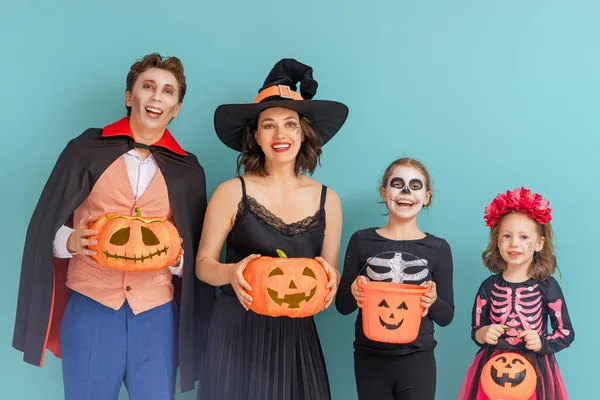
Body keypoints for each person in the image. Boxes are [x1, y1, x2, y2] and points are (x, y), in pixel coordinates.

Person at [12, 53, 215, 399]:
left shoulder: (188, 170)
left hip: (156, 315)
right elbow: (44, 226)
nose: (156, 97)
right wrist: (71, 241)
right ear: (129, 97)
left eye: (167, 91)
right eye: (148, 87)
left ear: (176, 107)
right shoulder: (84, 150)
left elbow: (196, 252)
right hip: (91, 308)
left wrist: (176, 259)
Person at [195, 58, 348, 400]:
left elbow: (329, 272)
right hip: (237, 329)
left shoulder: (329, 200)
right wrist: (232, 272)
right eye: (268, 125)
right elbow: (203, 265)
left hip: (296, 334)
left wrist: (331, 282)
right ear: (255, 136)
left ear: (304, 132)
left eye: (290, 124)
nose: (281, 135)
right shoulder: (231, 191)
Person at [336, 157, 455, 400]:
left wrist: (432, 300)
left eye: (415, 186)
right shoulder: (361, 240)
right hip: (370, 357)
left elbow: (446, 316)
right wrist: (355, 291)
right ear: (384, 191)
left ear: (427, 197)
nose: (406, 192)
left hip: (418, 359)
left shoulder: (438, 248)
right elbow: (342, 306)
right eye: (397, 184)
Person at [459, 187, 574, 399]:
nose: (514, 244)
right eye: (507, 236)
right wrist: (483, 333)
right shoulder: (488, 287)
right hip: (493, 366)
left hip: (536, 368)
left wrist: (542, 342)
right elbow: (476, 328)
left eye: (523, 237)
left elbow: (566, 332)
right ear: (498, 240)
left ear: (539, 243)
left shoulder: (548, 287)